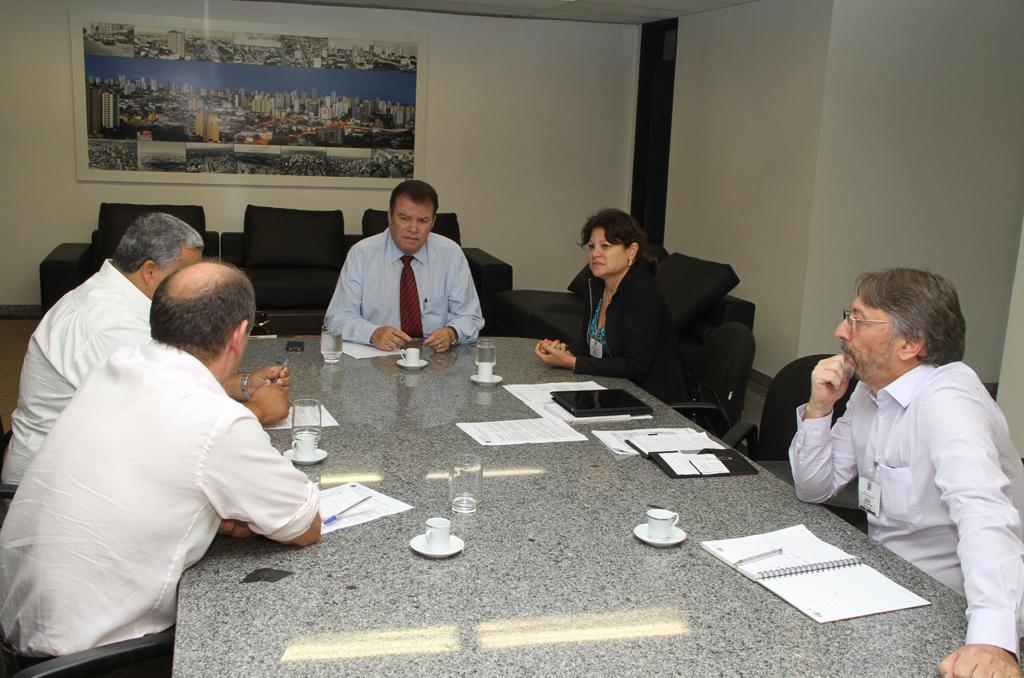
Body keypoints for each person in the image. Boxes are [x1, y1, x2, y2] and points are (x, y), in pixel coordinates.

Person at [0, 261, 321, 662]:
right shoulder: (217, 419)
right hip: (92, 655)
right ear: (239, 335)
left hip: (24, 617)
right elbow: (303, 526)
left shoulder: (115, 367)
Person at [789, 268, 1024, 678]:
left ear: (910, 344)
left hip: (949, 613)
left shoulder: (949, 405)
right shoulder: (870, 390)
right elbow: (814, 487)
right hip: (882, 586)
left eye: (859, 320)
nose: (841, 330)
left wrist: (992, 642)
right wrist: (818, 410)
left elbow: (986, 519)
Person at [3, 213, 288, 484]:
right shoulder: (111, 325)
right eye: (186, 275)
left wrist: (246, 383)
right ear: (150, 271)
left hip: (92, 458)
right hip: (58, 483)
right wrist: (259, 409)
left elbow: (177, 380)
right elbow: (176, 429)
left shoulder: (119, 298)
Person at [533, 208, 687, 403]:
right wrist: (564, 351)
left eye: (605, 246)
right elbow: (589, 342)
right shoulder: (597, 284)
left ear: (631, 251)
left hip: (651, 400)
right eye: (591, 246)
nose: (595, 253)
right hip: (611, 391)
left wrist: (572, 362)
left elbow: (635, 367)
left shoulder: (641, 290)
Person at [324, 179, 484, 353]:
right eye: (404, 218)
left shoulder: (450, 253)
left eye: (423, 221)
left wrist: (452, 333)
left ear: (433, 221)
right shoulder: (362, 254)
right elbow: (337, 317)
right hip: (379, 355)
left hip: (435, 359)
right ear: (390, 216)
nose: (413, 229)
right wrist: (373, 333)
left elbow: (471, 316)